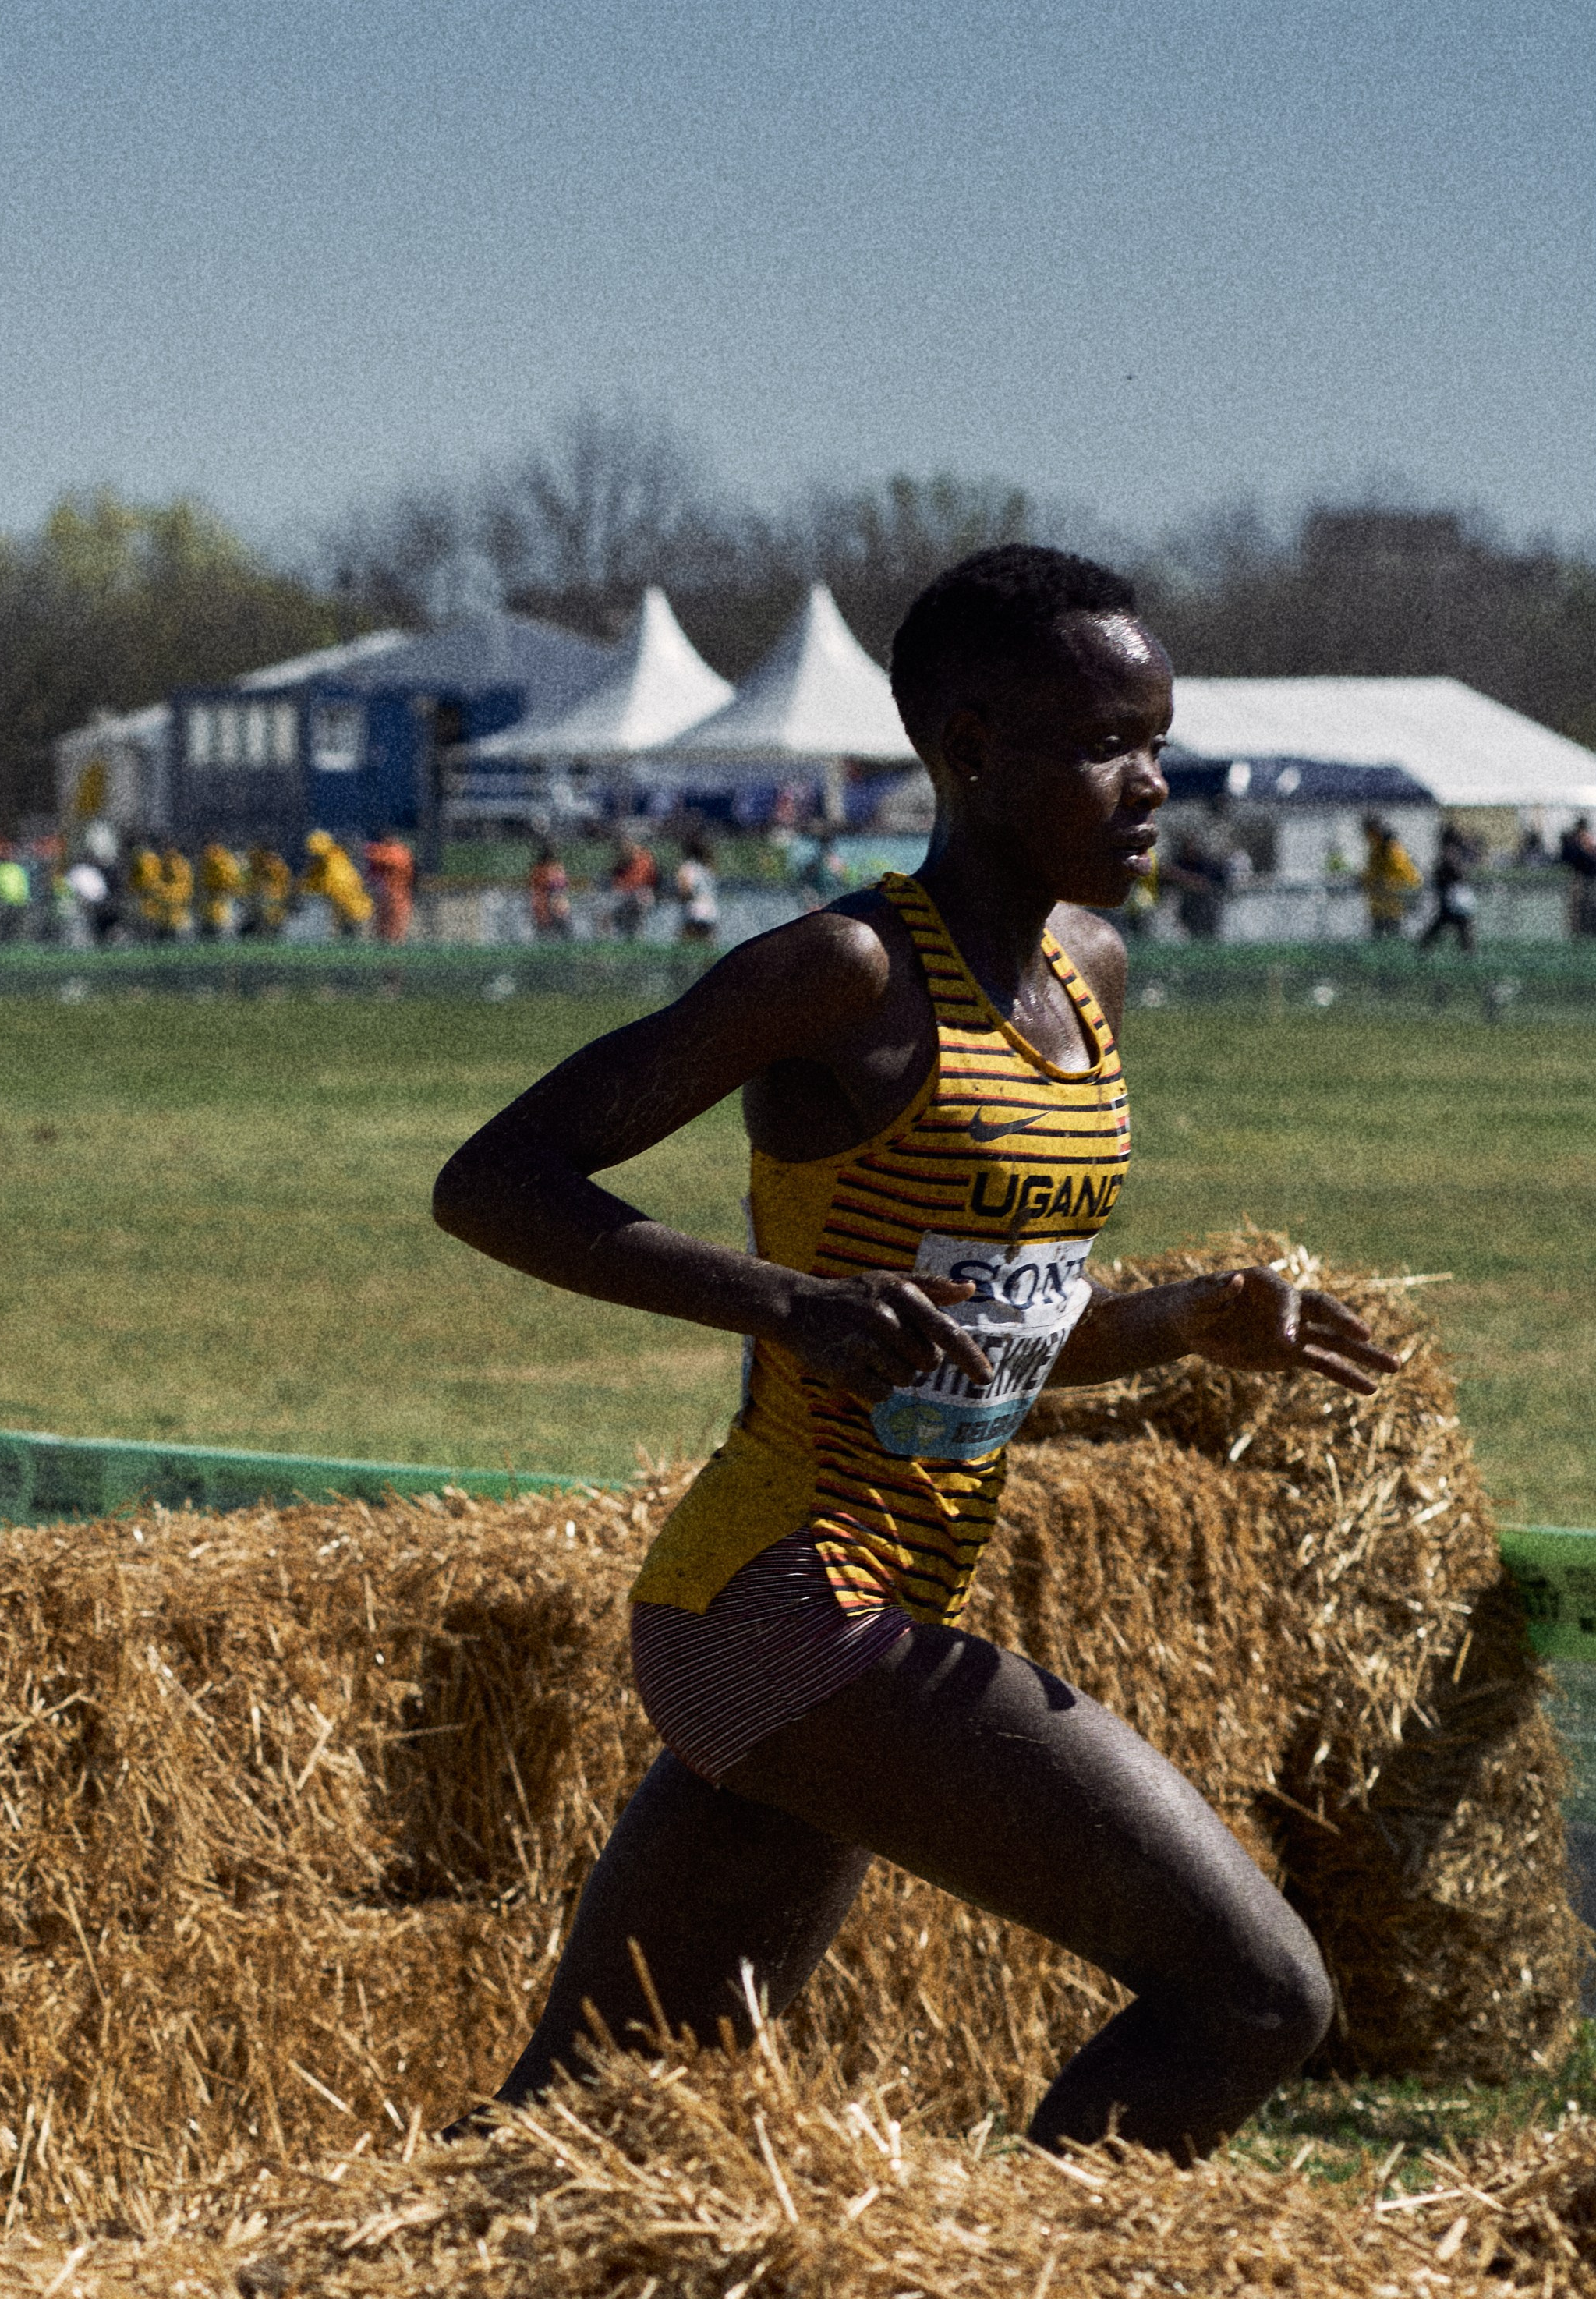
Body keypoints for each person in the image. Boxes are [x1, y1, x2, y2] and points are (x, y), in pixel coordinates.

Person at [432, 543, 1400, 2163]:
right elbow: (492, 1185)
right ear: (964, 748)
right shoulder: (844, 976)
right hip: (781, 1598)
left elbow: (975, 1339)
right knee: (1251, 1997)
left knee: (583, 2134)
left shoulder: (1086, 981)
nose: (1150, 783)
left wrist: (1181, 1324)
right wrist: (779, 1301)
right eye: (1104, 744)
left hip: (858, 1611)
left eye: (1156, 738)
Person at [1419, 822, 1478, 953]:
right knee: (1458, 926)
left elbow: (1450, 874)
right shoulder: (1452, 853)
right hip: (1451, 898)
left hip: (1450, 897)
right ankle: (1469, 952)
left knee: (1446, 925)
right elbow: (1460, 875)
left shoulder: (1448, 853)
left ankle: (1424, 948)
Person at [1162, 829, 1230, 940]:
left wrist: (1186, 878)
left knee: (1208, 934)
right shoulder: (1181, 862)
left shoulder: (1207, 864)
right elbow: (1167, 875)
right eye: (1188, 847)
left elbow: (1207, 883)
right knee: (1189, 934)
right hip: (1186, 904)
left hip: (1205, 905)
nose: (1191, 850)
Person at [303, 830, 373, 938]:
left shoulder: (333, 861)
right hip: (342, 910)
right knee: (342, 942)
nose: (312, 857)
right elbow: (312, 882)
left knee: (357, 940)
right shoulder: (329, 860)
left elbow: (325, 885)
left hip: (354, 909)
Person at [1361, 815, 1421, 938]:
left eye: (1369, 833)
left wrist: (1383, 883)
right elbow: (1373, 873)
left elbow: (1403, 875)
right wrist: (1364, 879)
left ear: (1375, 831)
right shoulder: (1378, 849)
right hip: (1382, 903)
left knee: (1391, 933)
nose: (1367, 838)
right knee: (1380, 933)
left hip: (1393, 902)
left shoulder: (1392, 850)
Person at [366, 834, 416, 944]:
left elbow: (375, 857)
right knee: (390, 925)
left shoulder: (393, 853)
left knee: (391, 925)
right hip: (399, 892)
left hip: (393, 892)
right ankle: (392, 944)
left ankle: (390, 945)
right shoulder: (403, 852)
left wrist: (370, 847)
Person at [674, 829, 720, 945]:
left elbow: (686, 891)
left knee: (684, 945)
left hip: (694, 911)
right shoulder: (708, 868)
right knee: (707, 945)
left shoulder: (687, 868)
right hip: (711, 910)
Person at [608, 836, 658, 939]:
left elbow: (647, 880)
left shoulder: (644, 858)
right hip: (625, 895)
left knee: (642, 900)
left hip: (641, 894)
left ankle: (638, 937)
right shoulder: (622, 861)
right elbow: (616, 883)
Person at [196, 841, 246, 940]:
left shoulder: (222, 861)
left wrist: (217, 890)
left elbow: (230, 882)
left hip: (222, 898)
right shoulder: (224, 861)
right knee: (218, 924)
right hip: (218, 899)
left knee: (222, 924)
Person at [242, 845, 294, 939]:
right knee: (261, 927)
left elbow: (284, 884)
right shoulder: (258, 868)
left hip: (273, 904)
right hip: (265, 904)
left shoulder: (274, 866)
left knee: (271, 928)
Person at [527, 838, 573, 939]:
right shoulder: (552, 867)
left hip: (549, 901)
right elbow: (562, 885)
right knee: (558, 928)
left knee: (549, 929)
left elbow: (535, 885)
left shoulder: (539, 868)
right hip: (552, 901)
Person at [1559, 815, 1596, 939]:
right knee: (1578, 908)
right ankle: (1579, 933)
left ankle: (1584, 932)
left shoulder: (1582, 840)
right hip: (1580, 877)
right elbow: (1570, 859)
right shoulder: (1576, 841)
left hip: (1586, 878)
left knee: (1585, 907)